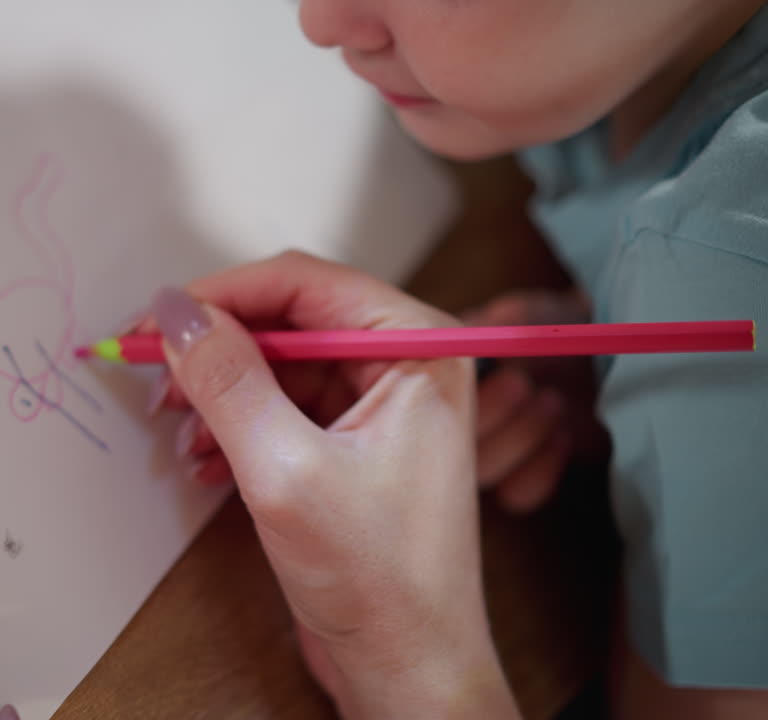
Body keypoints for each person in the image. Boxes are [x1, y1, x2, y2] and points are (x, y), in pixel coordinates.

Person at [140, 0, 768, 717]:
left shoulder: (724, 260)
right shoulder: (605, 75)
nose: (318, 22)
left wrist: (413, 669)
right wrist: (617, 358)